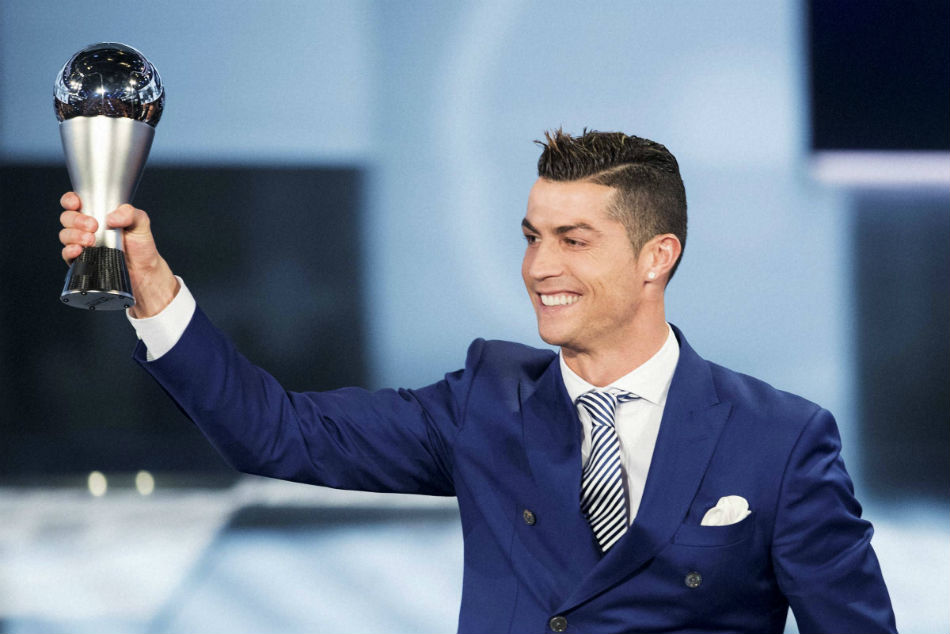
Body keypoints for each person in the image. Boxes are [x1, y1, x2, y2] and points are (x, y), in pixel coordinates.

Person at [58, 129, 896, 633]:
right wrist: (156, 291)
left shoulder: (779, 439)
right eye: (532, 236)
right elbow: (276, 431)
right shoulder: (486, 402)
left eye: (573, 239)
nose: (538, 267)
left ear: (656, 257)